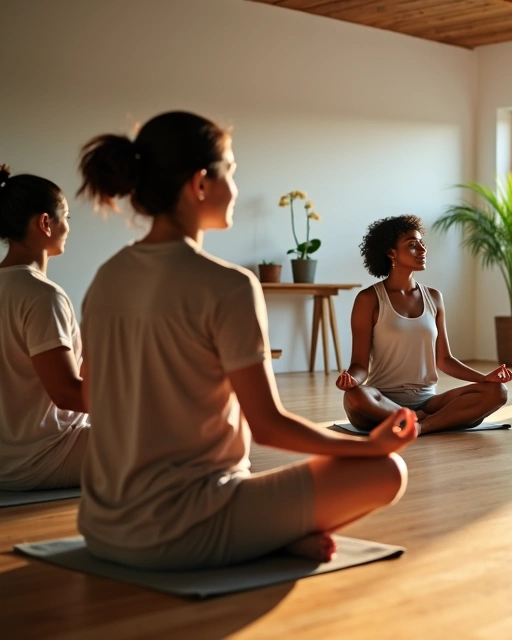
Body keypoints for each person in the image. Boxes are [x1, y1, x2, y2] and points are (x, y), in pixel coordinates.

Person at [76, 111, 417, 570]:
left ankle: (272, 534)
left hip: (101, 528)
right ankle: (271, 535)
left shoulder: (106, 277)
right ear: (200, 183)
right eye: (231, 172)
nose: (236, 187)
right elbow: (269, 426)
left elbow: (92, 397)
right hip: (186, 531)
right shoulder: (227, 285)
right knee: (386, 471)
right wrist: (370, 446)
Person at [336, 215, 512, 434]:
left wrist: (484, 378)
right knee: (355, 397)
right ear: (391, 253)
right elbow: (360, 365)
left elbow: (445, 360)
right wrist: (352, 379)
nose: (422, 249)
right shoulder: (369, 299)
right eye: (412, 245)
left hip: (427, 402)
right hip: (382, 401)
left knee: (497, 392)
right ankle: (428, 421)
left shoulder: (434, 297)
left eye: (422, 243)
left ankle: (419, 426)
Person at [0, 165, 90, 490]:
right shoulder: (42, 295)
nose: (69, 226)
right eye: (65, 216)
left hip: (8, 458)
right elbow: (67, 394)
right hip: (46, 456)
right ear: (45, 222)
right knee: (173, 434)